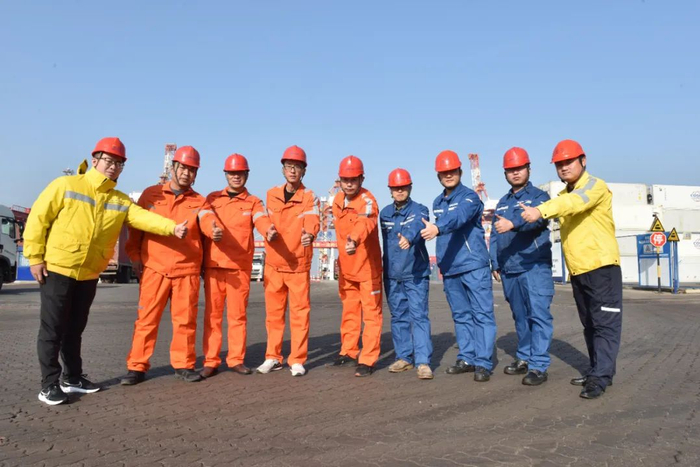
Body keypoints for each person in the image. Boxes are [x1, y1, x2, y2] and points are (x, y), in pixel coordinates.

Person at [23, 137, 186, 405]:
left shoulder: (119, 200)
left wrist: (172, 227)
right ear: (95, 160)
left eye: (119, 163)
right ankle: (49, 384)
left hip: (88, 273)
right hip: (58, 268)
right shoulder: (66, 185)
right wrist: (35, 257)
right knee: (53, 329)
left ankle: (72, 378)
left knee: (75, 329)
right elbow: (39, 219)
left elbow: (143, 218)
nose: (114, 166)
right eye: (109, 161)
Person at [521, 139, 622, 399]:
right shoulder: (564, 196)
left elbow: (575, 203)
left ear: (583, 161)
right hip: (579, 271)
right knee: (590, 324)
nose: (564, 167)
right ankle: (597, 370)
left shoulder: (594, 186)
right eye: (559, 164)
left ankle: (600, 378)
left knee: (604, 325)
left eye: (568, 162)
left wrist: (540, 210)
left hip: (602, 268)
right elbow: (566, 203)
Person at [121, 145, 220, 385]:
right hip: (155, 268)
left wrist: (215, 229)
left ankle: (184, 365)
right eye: (183, 168)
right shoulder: (151, 195)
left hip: (187, 271)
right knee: (146, 320)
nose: (187, 173)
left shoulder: (200, 201)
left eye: (192, 170)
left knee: (185, 321)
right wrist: (135, 256)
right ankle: (137, 367)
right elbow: (136, 228)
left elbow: (207, 220)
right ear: (173, 167)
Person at [420, 150, 496, 382]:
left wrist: (437, 228)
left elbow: (459, 217)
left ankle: (483, 362)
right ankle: (467, 357)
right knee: (461, 315)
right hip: (451, 268)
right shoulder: (438, 202)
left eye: (452, 171)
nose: (448, 175)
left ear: (460, 172)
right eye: (444, 172)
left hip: (473, 265)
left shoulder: (470, 198)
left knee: (482, 314)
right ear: (438, 176)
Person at [200, 153, 274, 378]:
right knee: (212, 316)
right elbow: (204, 218)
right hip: (214, 265)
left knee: (237, 316)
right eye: (232, 173)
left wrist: (268, 230)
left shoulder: (253, 202)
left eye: (240, 173)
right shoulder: (212, 198)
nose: (236, 177)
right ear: (226, 174)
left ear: (246, 175)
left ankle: (235, 360)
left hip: (239, 268)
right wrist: (211, 229)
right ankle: (211, 361)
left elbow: (261, 218)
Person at [490, 147, 554, 386]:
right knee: (520, 316)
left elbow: (537, 221)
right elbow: (495, 233)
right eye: (510, 170)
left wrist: (514, 223)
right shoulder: (503, 202)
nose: (515, 173)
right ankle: (524, 357)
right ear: (505, 173)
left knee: (538, 314)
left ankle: (538, 365)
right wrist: (495, 262)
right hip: (510, 268)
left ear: (529, 169)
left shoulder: (539, 197)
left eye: (519, 168)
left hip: (534, 265)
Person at [257, 145, 319, 377]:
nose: (293, 171)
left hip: (297, 264)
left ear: (304, 171)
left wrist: (310, 234)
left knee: (299, 315)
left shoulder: (309, 196)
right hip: (274, 264)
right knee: (273, 315)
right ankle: (272, 357)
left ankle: (297, 360)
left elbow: (313, 219)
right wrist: (267, 230)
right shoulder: (271, 194)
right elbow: (262, 218)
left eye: (297, 167)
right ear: (283, 169)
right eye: (289, 166)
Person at [331, 155, 383, 377]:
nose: (349, 184)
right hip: (347, 268)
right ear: (340, 180)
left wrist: (353, 239)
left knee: (371, 315)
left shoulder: (368, 201)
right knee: (350, 311)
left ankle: (368, 359)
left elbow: (365, 222)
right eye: (345, 180)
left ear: (362, 179)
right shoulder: (337, 200)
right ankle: (349, 351)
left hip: (368, 269)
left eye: (353, 179)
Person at [380, 168, 434, 380]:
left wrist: (409, 238)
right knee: (398, 317)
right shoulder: (384, 213)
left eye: (403, 187)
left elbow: (416, 226)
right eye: (396, 188)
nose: (400, 190)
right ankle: (404, 357)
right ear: (390, 190)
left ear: (410, 188)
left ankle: (423, 362)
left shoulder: (420, 210)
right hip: (392, 275)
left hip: (415, 274)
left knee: (418, 316)